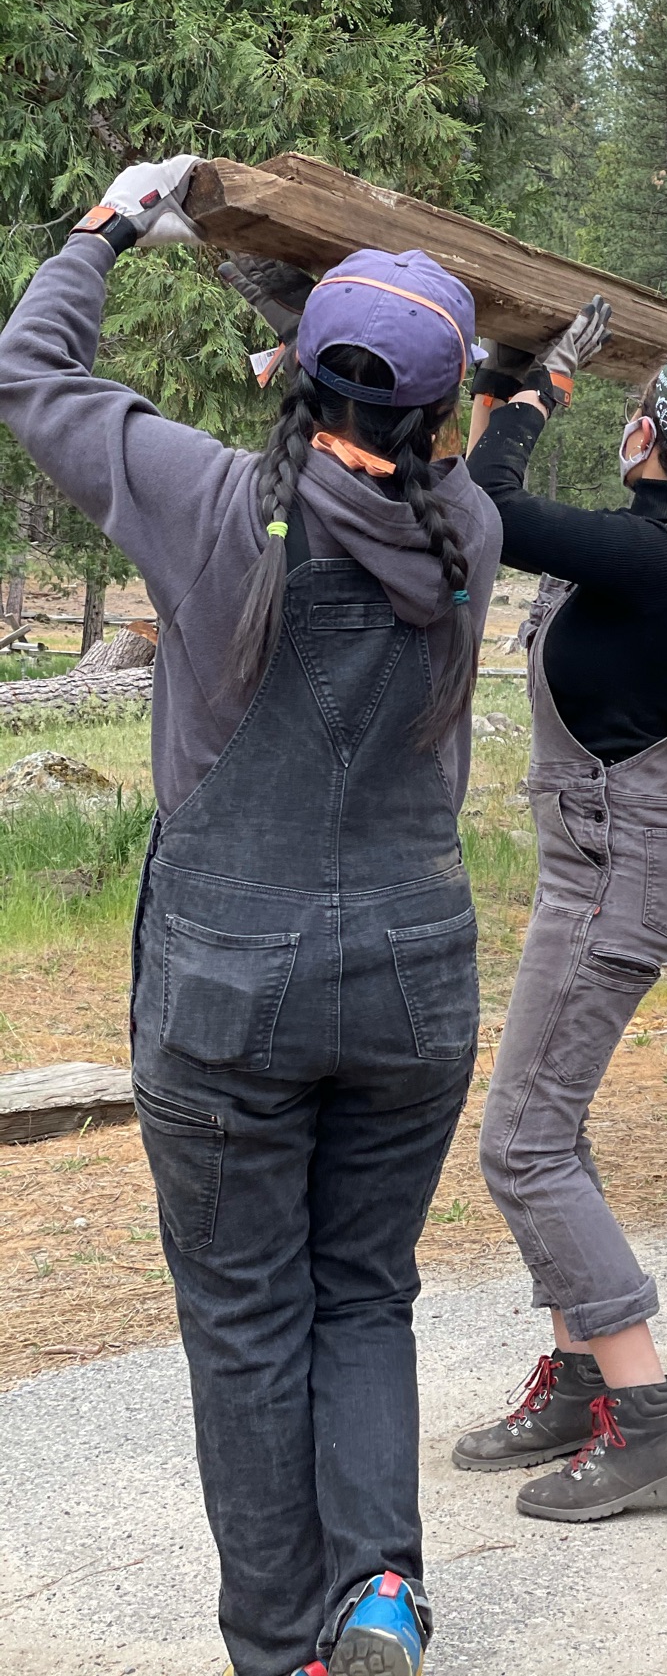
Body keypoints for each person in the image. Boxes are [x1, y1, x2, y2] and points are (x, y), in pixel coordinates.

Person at [0, 158, 504, 1676]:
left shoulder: (215, 501)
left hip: (227, 984)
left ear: (296, 388)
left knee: (243, 1316)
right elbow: (442, 442)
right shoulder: (467, 533)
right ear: (447, 418)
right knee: (366, 1292)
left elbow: (30, 366)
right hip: (417, 977)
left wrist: (106, 226)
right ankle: (381, 1598)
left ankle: (284, 1642)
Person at [452, 332, 667, 1522]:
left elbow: (487, 504)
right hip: (602, 858)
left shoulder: (661, 560)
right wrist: (502, 383)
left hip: (620, 863)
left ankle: (651, 1421)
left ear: (649, 433)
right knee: (551, 1129)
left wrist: (534, 395)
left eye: (632, 409)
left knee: (524, 1144)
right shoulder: (661, 547)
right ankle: (578, 1382)